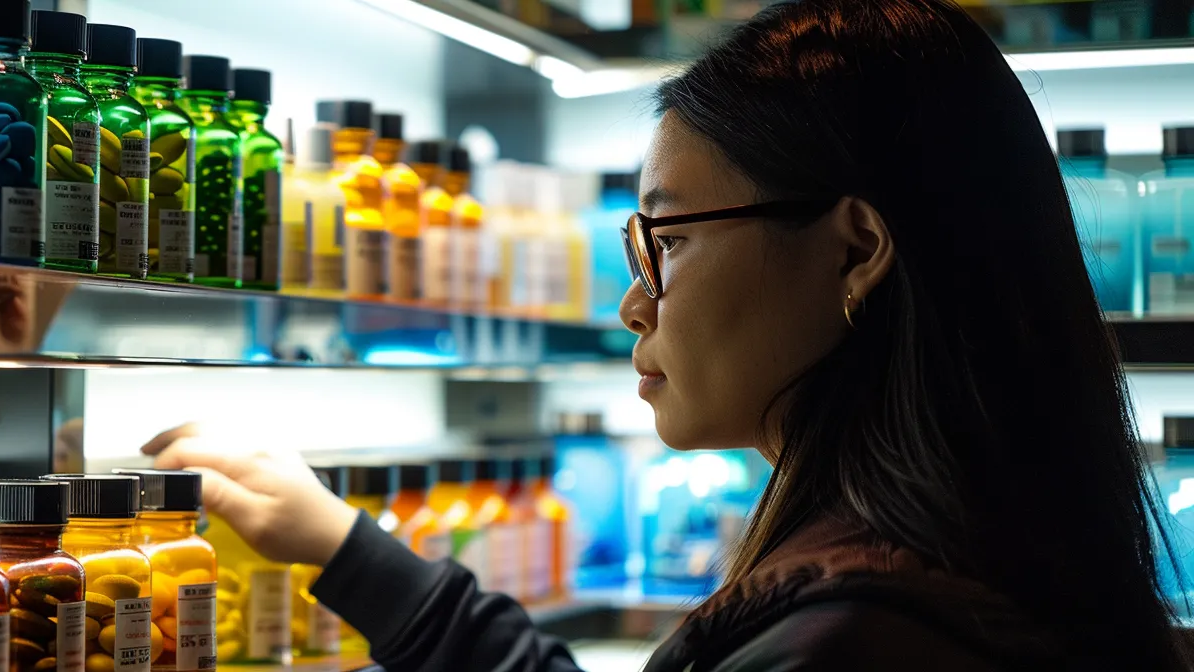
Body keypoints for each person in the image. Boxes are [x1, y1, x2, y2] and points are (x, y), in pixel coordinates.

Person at [142, 0, 1194, 669]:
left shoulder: (856, 638)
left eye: (669, 241)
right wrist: (340, 545)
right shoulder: (958, 558)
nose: (631, 304)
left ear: (855, 249)